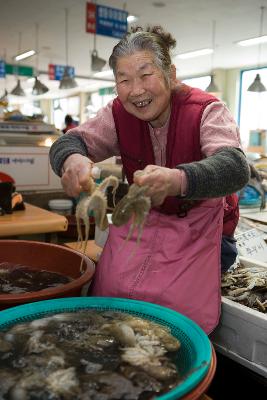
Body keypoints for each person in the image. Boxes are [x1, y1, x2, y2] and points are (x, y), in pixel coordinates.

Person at [49, 26, 249, 334]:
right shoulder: (117, 114)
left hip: (204, 231)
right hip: (147, 222)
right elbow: (68, 142)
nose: (136, 90)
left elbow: (234, 167)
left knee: (171, 324)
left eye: (146, 75)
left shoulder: (207, 110)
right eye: (124, 80)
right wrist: (72, 159)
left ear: (170, 73)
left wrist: (179, 179)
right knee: (109, 305)